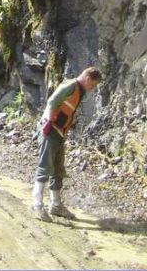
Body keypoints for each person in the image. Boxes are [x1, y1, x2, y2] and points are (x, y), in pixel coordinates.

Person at [31, 66, 103, 222]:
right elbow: (52, 101)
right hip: (50, 130)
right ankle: (37, 202)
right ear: (87, 79)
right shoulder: (70, 85)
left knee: (58, 168)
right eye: (93, 85)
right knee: (45, 165)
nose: (92, 89)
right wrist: (48, 122)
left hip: (59, 132)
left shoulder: (79, 90)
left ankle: (55, 205)